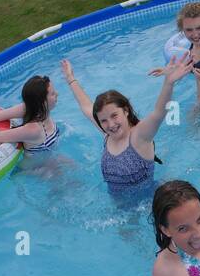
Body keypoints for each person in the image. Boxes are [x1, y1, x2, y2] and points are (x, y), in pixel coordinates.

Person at [60, 56, 186, 198]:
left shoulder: (139, 136)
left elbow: (159, 113)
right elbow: (86, 106)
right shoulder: (107, 135)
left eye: (114, 116)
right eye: (104, 121)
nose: (111, 125)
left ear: (125, 111)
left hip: (148, 202)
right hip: (118, 205)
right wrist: (70, 78)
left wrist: (169, 83)